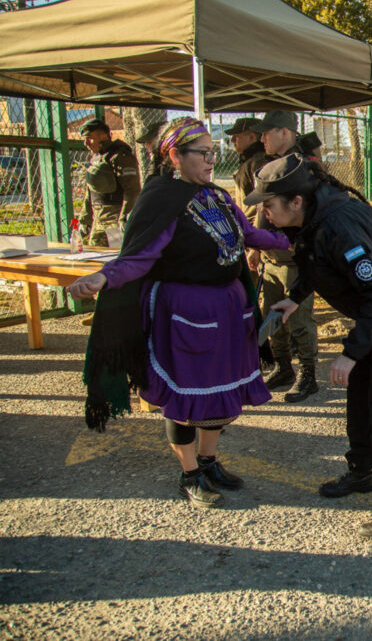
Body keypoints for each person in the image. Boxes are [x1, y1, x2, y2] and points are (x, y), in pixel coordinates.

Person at [68, 117, 291, 508]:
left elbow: (249, 235)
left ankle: (209, 461)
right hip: (185, 313)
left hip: (226, 310)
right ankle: (190, 474)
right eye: (203, 154)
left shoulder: (217, 197)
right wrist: (104, 278)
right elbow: (139, 258)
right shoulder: (163, 200)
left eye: (213, 153)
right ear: (174, 155)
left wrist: (299, 235)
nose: (211, 160)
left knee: (220, 392)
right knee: (185, 395)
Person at [245, 154, 372, 542]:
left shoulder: (340, 223)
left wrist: (351, 352)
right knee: (360, 396)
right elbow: (314, 263)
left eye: (268, 204)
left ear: (296, 200)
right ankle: (361, 472)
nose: (263, 212)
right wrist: (294, 297)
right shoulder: (312, 216)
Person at [246, 110, 320, 402]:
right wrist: (255, 248)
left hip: (293, 258)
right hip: (271, 257)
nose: (261, 137)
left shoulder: (305, 166)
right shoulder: (271, 165)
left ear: (286, 133)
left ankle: (308, 375)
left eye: (268, 132)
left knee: (299, 318)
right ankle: (283, 366)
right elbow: (262, 211)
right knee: (271, 315)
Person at [78, 118, 141, 246]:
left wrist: (124, 217)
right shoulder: (96, 158)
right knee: (94, 256)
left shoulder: (120, 156)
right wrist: (85, 220)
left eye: (90, 138)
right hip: (98, 218)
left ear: (103, 136)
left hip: (115, 218)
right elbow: (90, 192)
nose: (86, 143)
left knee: (115, 255)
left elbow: (132, 189)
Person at [225, 116, 265, 223]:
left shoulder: (258, 162)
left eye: (236, 136)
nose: (232, 140)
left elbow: (263, 204)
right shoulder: (249, 161)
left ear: (252, 137)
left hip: (254, 227)